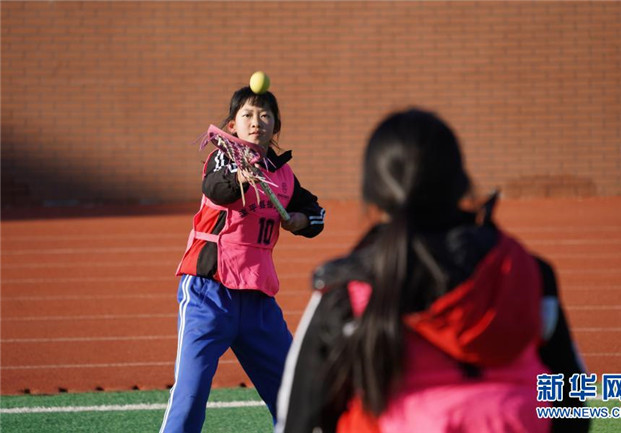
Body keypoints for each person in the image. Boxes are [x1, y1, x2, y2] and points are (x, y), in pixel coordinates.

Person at [275, 109, 588, 433]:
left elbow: (298, 421)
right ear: (460, 181)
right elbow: (574, 407)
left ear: (374, 192)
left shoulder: (346, 288)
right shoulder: (528, 273)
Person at [159, 86, 325, 433]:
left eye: (265, 115)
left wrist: (301, 220)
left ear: (275, 125)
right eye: (247, 115)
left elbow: (316, 214)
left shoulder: (282, 175)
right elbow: (216, 189)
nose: (256, 122)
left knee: (295, 396)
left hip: (258, 301)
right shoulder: (223, 158)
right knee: (189, 398)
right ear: (233, 125)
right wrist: (241, 175)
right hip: (208, 294)